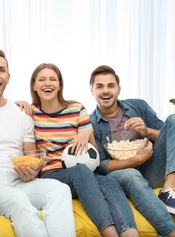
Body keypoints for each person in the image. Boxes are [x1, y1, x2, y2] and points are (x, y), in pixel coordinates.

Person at [0, 48, 76, 237]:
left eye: (1, 70)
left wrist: (33, 170)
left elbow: (31, 158)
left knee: (59, 189)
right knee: (18, 201)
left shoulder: (21, 114)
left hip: (18, 180)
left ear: (8, 77)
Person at [27, 63, 138, 237]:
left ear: (60, 85)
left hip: (85, 170)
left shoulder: (76, 108)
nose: (47, 83)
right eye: (42, 79)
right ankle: (110, 233)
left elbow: (93, 152)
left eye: (52, 79)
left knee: (110, 182)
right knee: (80, 171)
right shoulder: (30, 113)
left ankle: (129, 233)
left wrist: (87, 132)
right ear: (34, 85)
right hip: (53, 175)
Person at [89, 65, 175, 237]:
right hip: (122, 177)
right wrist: (135, 161)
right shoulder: (91, 124)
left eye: (111, 85)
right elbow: (102, 166)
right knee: (131, 174)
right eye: (100, 86)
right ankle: (171, 233)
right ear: (92, 90)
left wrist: (147, 131)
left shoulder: (138, 106)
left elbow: (169, 134)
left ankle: (169, 188)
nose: (105, 91)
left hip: (151, 169)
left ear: (119, 89)